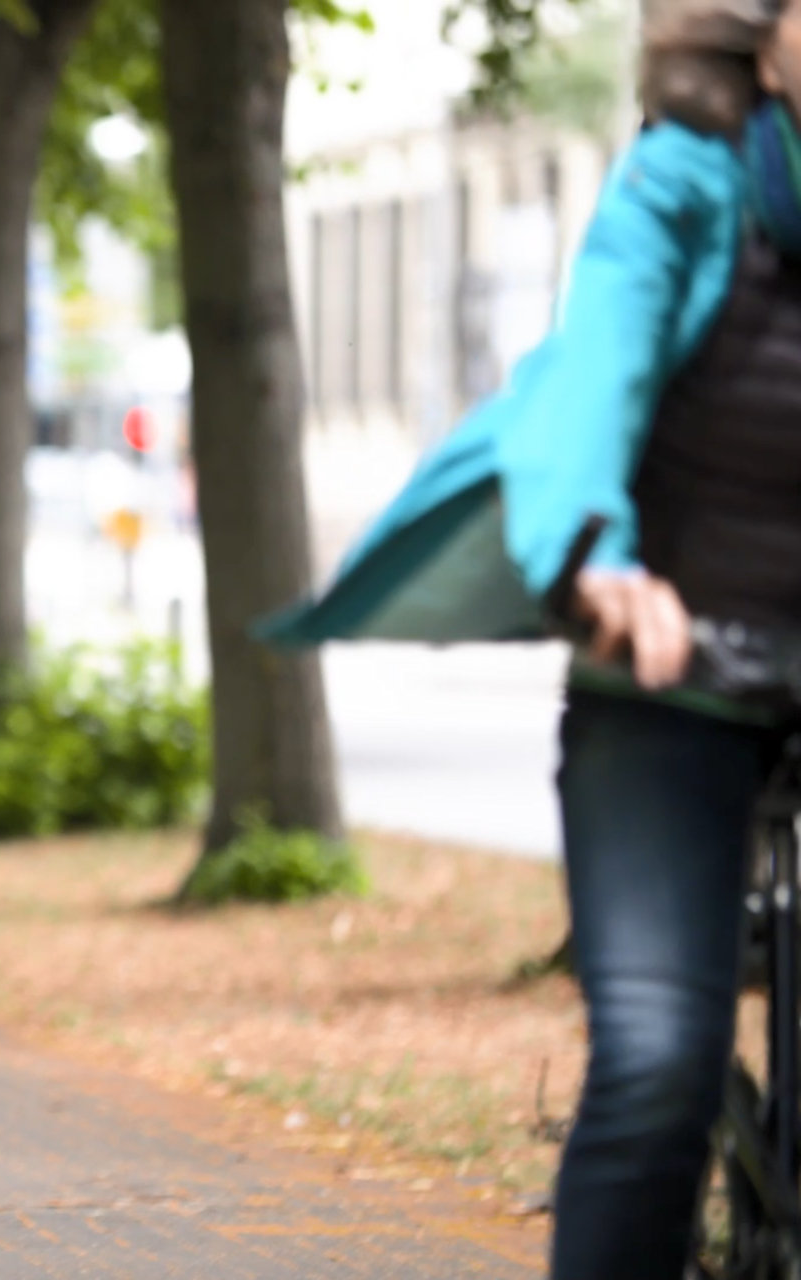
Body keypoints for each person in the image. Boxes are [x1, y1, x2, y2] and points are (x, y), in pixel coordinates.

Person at [262, 1, 801, 1274]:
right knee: (663, 1055)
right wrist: (599, 562)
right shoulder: (687, 184)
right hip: (671, 684)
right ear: (764, 34)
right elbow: (589, 387)